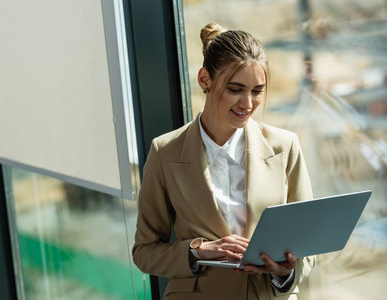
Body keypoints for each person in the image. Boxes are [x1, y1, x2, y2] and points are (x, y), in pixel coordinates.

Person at [132, 23, 315, 300]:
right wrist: (197, 251)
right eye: (235, 89)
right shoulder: (165, 152)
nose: (248, 104)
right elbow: (145, 252)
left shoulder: (284, 146)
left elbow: (307, 244)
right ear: (204, 79)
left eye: (257, 91)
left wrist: (284, 271)